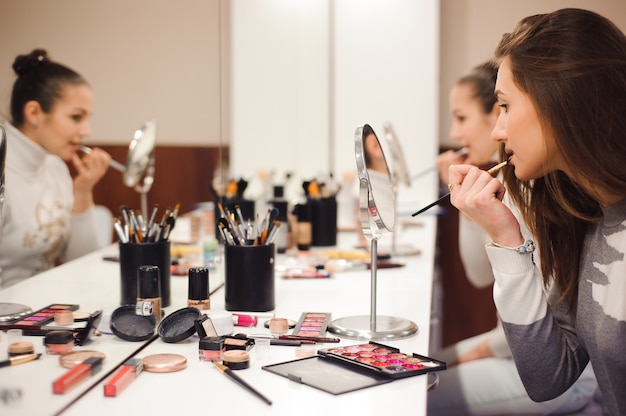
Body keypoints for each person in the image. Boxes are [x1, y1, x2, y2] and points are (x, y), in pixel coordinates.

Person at [448, 8, 626, 416]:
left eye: (506, 106)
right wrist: (506, 240)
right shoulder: (582, 218)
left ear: (561, 101)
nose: (497, 130)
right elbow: (547, 379)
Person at [429, 61, 596, 415]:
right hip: (517, 346)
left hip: (560, 368)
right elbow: (479, 275)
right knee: (418, 369)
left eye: (461, 118)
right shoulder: (513, 181)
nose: (454, 133)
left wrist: (480, 352)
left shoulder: (544, 191)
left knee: (418, 395)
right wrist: (471, 211)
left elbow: (554, 319)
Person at [0, 49, 112, 288]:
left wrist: (82, 192)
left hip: (46, 309)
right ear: (34, 113)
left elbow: (83, 261)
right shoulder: (5, 171)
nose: (87, 131)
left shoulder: (55, 166)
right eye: (76, 117)